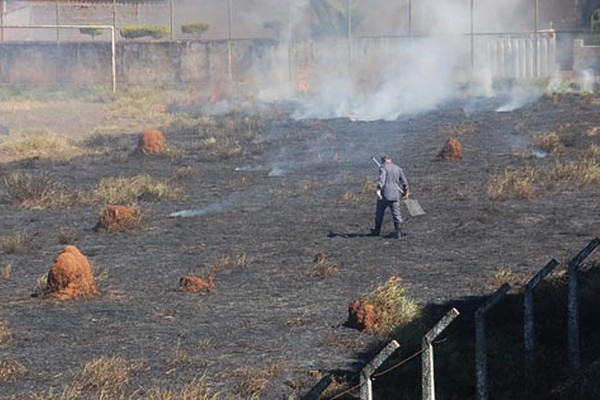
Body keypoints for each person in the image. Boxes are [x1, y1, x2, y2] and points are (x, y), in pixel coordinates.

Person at [372, 155, 410, 239]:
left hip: (384, 195)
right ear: (390, 160)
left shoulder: (383, 168)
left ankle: (377, 231)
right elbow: (404, 182)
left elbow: (382, 180)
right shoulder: (398, 168)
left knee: (379, 213)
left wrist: (378, 189)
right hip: (395, 195)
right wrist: (406, 191)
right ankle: (398, 233)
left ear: (383, 161)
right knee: (396, 214)